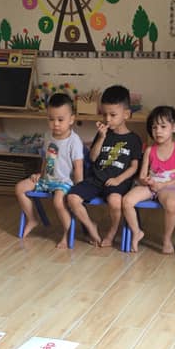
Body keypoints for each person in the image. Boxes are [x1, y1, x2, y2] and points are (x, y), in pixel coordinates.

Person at [66, 85, 143, 248]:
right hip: (96, 179)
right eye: (104, 114)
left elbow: (134, 167)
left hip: (118, 182)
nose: (107, 119)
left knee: (115, 201)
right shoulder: (103, 134)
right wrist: (101, 137)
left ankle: (112, 231)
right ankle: (91, 227)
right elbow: (93, 158)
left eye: (113, 115)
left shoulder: (134, 139)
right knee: (72, 198)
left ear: (126, 114)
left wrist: (118, 179)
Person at [16, 93, 85, 247]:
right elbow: (47, 159)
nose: (56, 124)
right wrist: (40, 174)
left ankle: (67, 234)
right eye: (51, 119)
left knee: (58, 202)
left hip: (64, 182)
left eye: (60, 120)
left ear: (71, 119)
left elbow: (78, 167)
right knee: (20, 188)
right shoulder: (48, 136)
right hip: (46, 179)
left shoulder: (74, 141)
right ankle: (32, 219)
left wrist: (79, 189)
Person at [121, 106, 175, 254]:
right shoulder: (149, 150)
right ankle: (136, 231)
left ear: (174, 127)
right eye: (154, 127)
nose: (158, 131)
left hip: (168, 186)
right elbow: (142, 176)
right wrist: (146, 181)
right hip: (150, 186)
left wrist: (163, 185)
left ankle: (167, 239)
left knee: (172, 204)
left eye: (163, 127)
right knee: (127, 201)